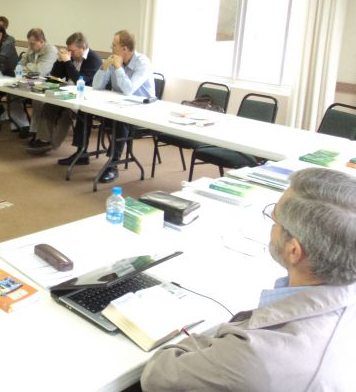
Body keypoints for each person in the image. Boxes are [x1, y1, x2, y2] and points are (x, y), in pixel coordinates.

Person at [141, 167, 356, 391]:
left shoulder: (255, 356)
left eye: (275, 219)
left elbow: (157, 375)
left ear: (294, 251)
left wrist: (210, 343)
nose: (272, 225)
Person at [91, 30, 155, 183]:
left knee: (120, 121)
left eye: (114, 45)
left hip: (143, 109)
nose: (111, 48)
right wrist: (104, 67)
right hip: (119, 106)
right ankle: (81, 153)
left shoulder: (142, 63)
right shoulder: (114, 60)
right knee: (85, 112)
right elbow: (96, 86)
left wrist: (118, 68)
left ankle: (113, 164)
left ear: (124, 49)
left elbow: (129, 90)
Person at [27, 32, 101, 160]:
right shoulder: (70, 57)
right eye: (68, 50)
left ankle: (53, 144)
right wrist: (59, 61)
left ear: (83, 48)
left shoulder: (94, 59)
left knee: (67, 113)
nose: (70, 53)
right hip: (67, 92)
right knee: (48, 106)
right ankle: (44, 139)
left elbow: (79, 81)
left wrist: (67, 62)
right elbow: (56, 75)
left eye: (72, 50)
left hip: (84, 98)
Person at [12, 28, 58, 138]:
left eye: (33, 43)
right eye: (29, 43)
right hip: (29, 80)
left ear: (41, 41)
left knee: (37, 99)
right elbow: (19, 65)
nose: (30, 46)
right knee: (12, 93)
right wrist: (30, 67)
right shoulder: (31, 48)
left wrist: (28, 66)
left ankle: (36, 131)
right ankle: (23, 124)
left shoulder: (51, 51)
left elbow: (41, 71)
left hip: (47, 83)